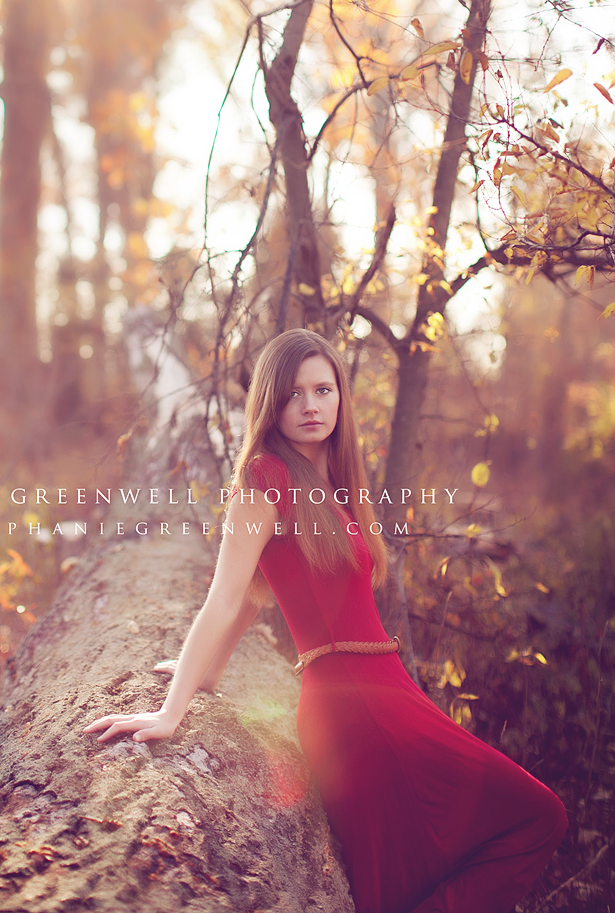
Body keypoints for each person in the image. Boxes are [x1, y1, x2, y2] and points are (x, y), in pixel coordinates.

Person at [84, 329, 567, 913]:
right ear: (269, 404)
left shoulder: (335, 489)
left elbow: (257, 600)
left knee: (405, 878)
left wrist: (206, 675)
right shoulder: (265, 479)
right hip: (356, 707)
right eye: (292, 395)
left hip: (388, 693)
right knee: (538, 816)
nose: (310, 406)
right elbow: (225, 596)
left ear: (341, 396)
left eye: (322, 389)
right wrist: (172, 708)